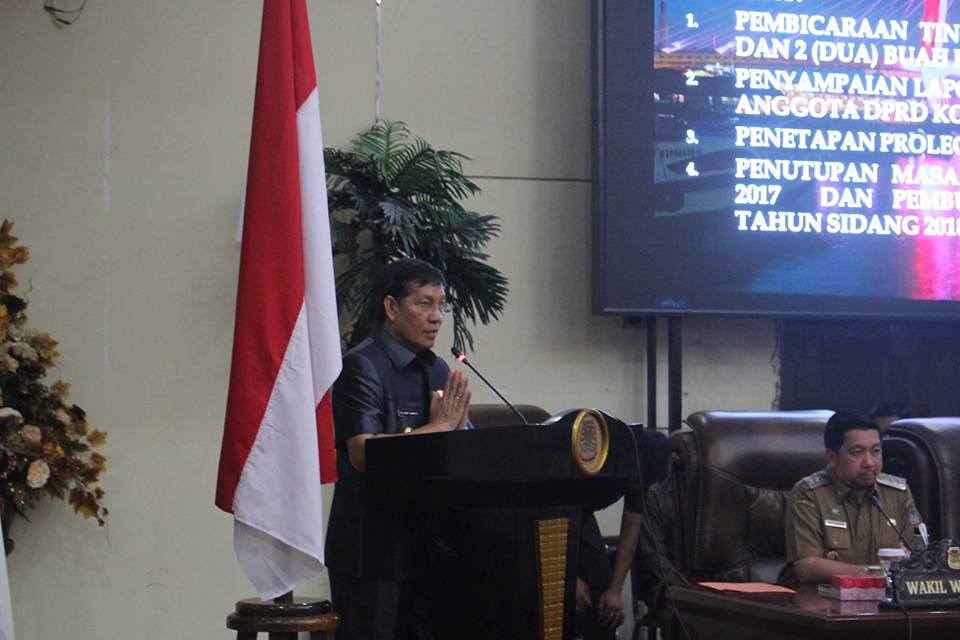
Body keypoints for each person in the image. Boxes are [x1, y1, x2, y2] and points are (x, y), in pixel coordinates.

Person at [325, 258, 472, 640]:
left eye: (441, 305)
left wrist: (458, 431)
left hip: (429, 546)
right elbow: (363, 454)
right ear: (391, 307)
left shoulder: (438, 370)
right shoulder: (361, 366)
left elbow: (459, 452)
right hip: (372, 551)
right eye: (424, 304)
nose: (436, 317)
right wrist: (439, 428)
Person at [782, 410, 924, 585]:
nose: (869, 463)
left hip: (886, 598)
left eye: (876, 451)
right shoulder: (809, 494)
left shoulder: (897, 493)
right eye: (857, 452)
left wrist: (911, 561)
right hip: (822, 597)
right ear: (832, 457)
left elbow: (919, 555)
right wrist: (876, 573)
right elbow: (807, 566)